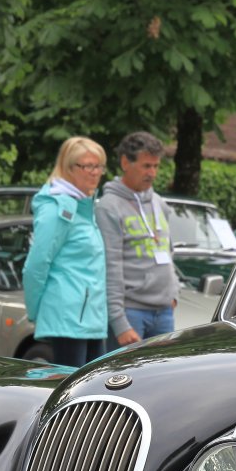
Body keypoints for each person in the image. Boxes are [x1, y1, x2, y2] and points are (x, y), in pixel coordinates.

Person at [21, 136, 109, 367]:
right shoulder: (58, 208)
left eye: (99, 166)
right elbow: (36, 265)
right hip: (68, 318)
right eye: (88, 166)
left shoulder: (83, 206)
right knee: (75, 386)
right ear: (69, 168)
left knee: (95, 384)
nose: (95, 173)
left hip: (88, 318)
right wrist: (36, 311)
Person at [97, 131, 179, 348]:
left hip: (164, 312)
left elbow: (169, 252)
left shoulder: (159, 203)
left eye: (156, 166)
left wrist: (174, 294)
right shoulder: (109, 207)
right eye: (146, 166)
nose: (152, 173)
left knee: (163, 370)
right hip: (131, 312)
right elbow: (110, 266)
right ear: (125, 163)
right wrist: (119, 322)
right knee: (127, 371)